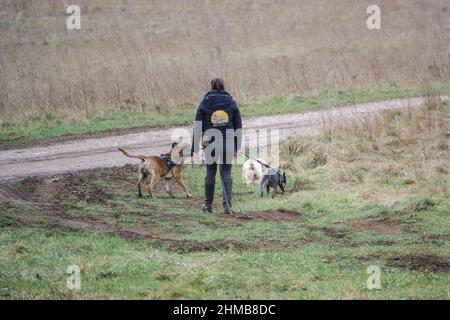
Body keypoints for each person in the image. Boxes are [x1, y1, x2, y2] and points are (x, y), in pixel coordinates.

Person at [191, 78, 242, 214]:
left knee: (210, 172)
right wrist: (237, 146)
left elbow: (197, 127)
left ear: (211, 87)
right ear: (223, 87)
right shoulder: (231, 102)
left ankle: (208, 206)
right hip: (229, 142)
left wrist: (194, 149)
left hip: (210, 143)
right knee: (226, 172)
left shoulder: (204, 102)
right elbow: (238, 126)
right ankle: (227, 207)